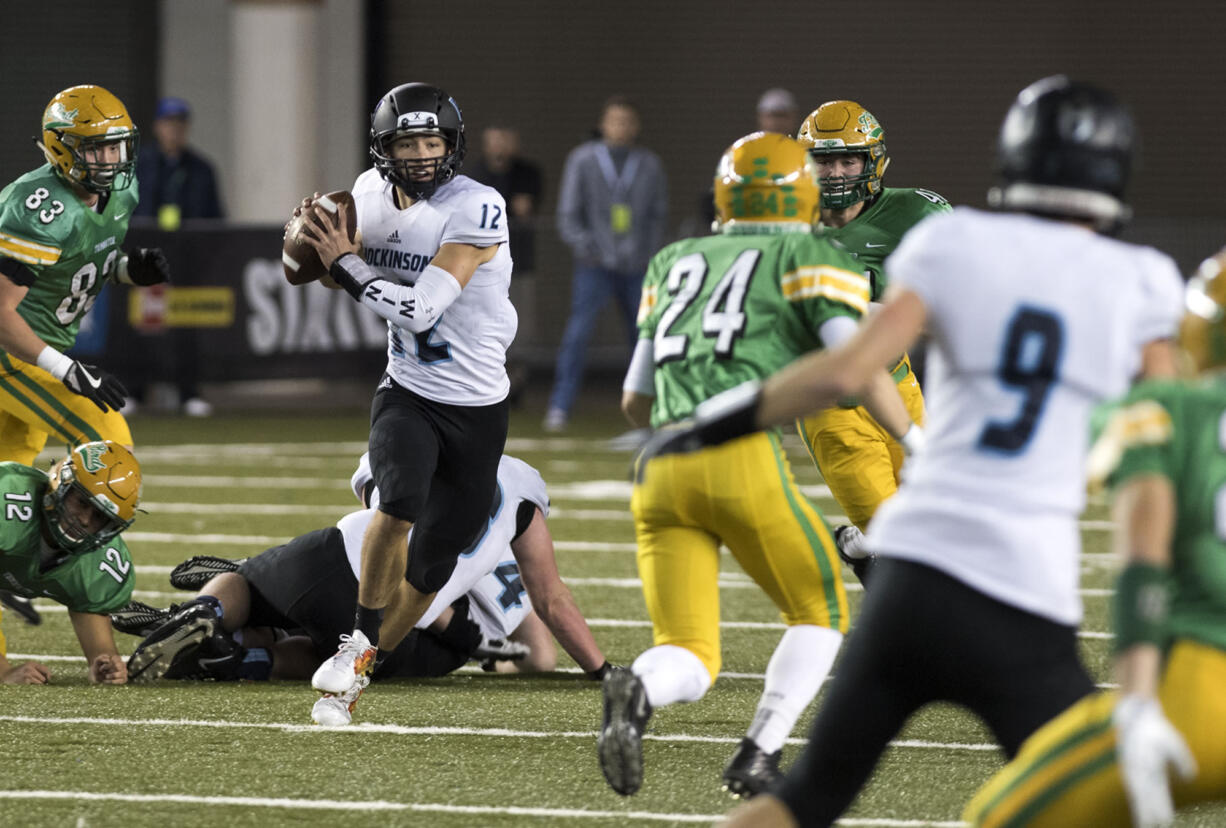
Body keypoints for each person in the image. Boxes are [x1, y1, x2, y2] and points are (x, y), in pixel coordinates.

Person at [637, 77, 1184, 828]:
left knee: (806, 802)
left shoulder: (951, 240)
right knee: (1086, 802)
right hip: (1021, 590)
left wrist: (714, 421)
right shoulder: (1143, 280)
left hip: (915, 585)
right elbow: (1163, 448)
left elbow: (843, 367)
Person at [599, 132, 920, 799]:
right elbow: (855, 367)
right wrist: (915, 438)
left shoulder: (674, 259)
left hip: (659, 469)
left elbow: (635, 400)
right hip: (738, 455)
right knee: (822, 609)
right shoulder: (807, 254)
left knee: (689, 649)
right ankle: (758, 753)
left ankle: (639, 686)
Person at [962, 248, 1226, 828]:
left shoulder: (1169, 408)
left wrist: (1135, 698)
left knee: (996, 816)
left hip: (1204, 687)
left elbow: (1143, 560)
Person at [294, 82, 518, 720]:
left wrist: (345, 266)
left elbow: (421, 309)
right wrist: (307, 243)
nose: (421, 154)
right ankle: (357, 640)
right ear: (382, 147)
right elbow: (308, 265)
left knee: (433, 566)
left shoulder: (478, 205)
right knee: (397, 503)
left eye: (432, 140)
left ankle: (364, 669)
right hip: (409, 390)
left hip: (478, 403)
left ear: (451, 144)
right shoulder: (365, 194)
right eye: (406, 142)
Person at [123, 453, 609, 725]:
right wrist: (601, 670)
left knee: (251, 578)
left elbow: (379, 505)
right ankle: (243, 659)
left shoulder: (409, 424)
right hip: (401, 627)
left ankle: (207, 610)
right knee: (383, 645)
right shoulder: (522, 494)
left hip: (338, 556)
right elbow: (545, 620)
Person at [793, 99, 951, 585]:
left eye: (848, 160)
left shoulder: (914, 213)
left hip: (900, 389)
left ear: (872, 161)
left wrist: (886, 318)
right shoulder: (785, 228)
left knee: (933, 525)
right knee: (899, 544)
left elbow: (953, 309)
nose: (836, 173)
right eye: (824, 160)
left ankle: (857, 546)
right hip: (832, 406)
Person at [0, 85, 170, 466]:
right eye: (96, 149)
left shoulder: (122, 191)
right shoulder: (40, 209)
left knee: (8, 477)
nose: (110, 160)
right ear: (63, 149)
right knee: (107, 441)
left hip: (34, 350)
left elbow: (73, 266)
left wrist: (126, 270)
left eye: (115, 147)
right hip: (11, 355)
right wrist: (66, 369)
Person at [545, 95, 668, 432]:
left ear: (636, 126)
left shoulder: (649, 164)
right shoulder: (582, 160)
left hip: (637, 267)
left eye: (627, 121)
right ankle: (559, 406)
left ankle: (648, 411)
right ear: (603, 124)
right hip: (593, 265)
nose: (621, 127)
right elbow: (568, 216)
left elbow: (658, 215)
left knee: (643, 336)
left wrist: (645, 254)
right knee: (578, 333)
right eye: (614, 121)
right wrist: (591, 249)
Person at [0, 440, 141, 685]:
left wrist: (106, 666)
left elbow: (92, 619)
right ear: (60, 484)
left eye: (100, 516)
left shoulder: (100, 562)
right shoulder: (7, 496)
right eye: (82, 502)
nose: (86, 520)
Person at [130, 95, 225, 418]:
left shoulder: (201, 169)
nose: (174, 130)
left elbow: (214, 219)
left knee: (186, 328)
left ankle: (188, 393)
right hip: (145, 262)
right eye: (169, 124)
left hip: (186, 263)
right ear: (158, 127)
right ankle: (135, 391)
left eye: (180, 124)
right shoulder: (139, 166)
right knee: (144, 324)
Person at [468, 125, 544, 405]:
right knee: (484, 324)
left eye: (504, 140)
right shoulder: (475, 175)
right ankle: (487, 386)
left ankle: (516, 387)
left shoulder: (526, 173)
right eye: (494, 141)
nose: (499, 147)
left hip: (520, 263)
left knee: (521, 330)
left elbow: (523, 210)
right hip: (483, 266)